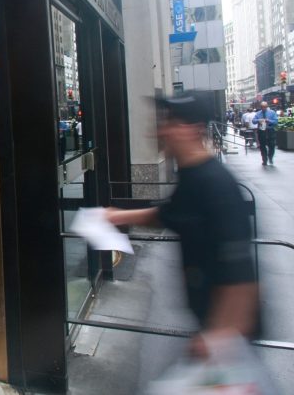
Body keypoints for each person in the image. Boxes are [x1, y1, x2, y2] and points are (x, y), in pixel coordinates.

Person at [106, 91, 259, 358]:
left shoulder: (214, 183)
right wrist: (119, 216)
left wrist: (218, 339)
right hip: (207, 328)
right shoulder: (191, 176)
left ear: (193, 129)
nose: (161, 130)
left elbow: (241, 274)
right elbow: (169, 215)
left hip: (223, 340)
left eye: (171, 122)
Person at [252, 101, 278, 166]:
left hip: (270, 131)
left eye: (265, 107)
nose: (263, 108)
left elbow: (276, 121)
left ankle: (270, 157)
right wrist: (259, 120)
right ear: (260, 107)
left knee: (272, 145)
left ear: (267, 106)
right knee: (262, 146)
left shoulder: (272, 113)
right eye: (262, 107)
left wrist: (268, 121)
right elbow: (253, 121)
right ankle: (265, 160)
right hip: (262, 131)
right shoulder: (258, 113)